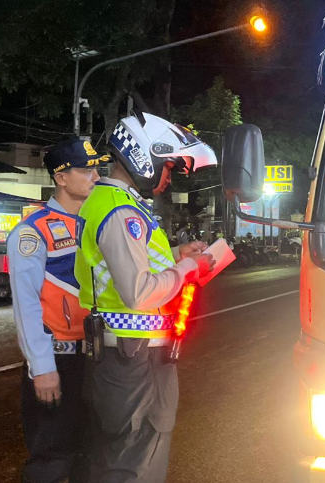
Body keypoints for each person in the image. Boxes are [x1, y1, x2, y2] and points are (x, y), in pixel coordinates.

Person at [74, 113, 218, 483]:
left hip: (127, 354)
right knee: (134, 461)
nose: (168, 178)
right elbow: (138, 292)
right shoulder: (120, 210)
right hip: (133, 357)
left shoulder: (112, 202)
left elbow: (129, 263)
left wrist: (177, 254)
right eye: (167, 166)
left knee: (120, 457)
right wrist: (190, 268)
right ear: (144, 156)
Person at [7, 138, 109, 483]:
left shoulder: (97, 224)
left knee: (90, 454)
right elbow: (26, 305)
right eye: (86, 170)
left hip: (97, 358)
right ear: (61, 178)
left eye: (97, 169)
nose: (96, 177)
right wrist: (42, 368)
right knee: (51, 459)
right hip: (58, 360)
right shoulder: (32, 231)